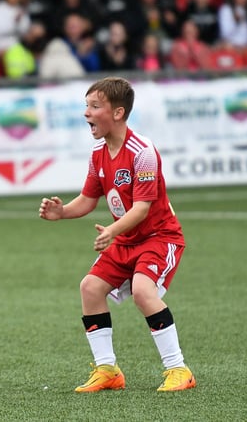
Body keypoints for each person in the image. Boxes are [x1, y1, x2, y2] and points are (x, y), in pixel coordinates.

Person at [39, 77, 196, 393]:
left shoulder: (143, 152)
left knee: (142, 291)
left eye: (95, 106)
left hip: (158, 237)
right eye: (86, 105)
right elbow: (87, 199)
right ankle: (108, 370)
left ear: (118, 113)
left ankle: (179, 370)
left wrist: (111, 230)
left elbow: (141, 208)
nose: (87, 113)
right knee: (90, 288)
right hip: (126, 240)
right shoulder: (98, 151)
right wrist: (63, 212)